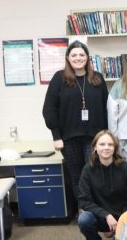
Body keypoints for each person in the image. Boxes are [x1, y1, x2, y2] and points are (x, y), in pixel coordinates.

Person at [42, 41, 108, 202]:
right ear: (68, 58)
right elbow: (49, 109)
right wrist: (56, 136)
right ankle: (84, 209)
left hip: (94, 138)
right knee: (76, 175)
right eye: (74, 55)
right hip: (68, 139)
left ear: (87, 57)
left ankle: (98, 209)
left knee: (94, 173)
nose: (78, 58)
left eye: (81, 54)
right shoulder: (59, 78)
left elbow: (107, 109)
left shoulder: (97, 79)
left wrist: (106, 136)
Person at [77, 130, 127, 240]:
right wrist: (107, 215)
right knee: (84, 219)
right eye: (102, 144)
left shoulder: (126, 168)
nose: (106, 148)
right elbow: (83, 200)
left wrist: (121, 218)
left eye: (110, 144)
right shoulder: (88, 170)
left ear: (115, 148)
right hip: (100, 216)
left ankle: (119, 237)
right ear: (95, 147)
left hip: (122, 217)